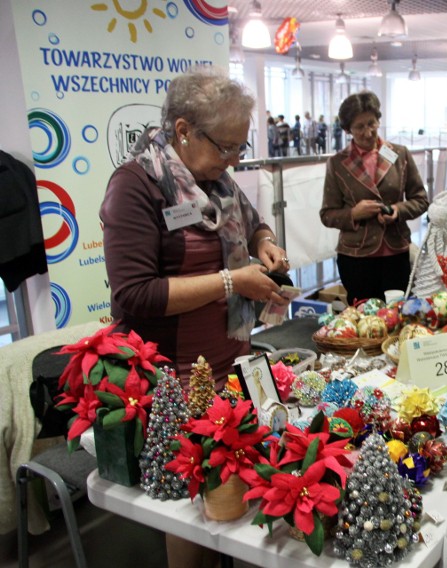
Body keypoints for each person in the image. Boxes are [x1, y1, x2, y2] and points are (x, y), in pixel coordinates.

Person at [100, 67, 291, 568]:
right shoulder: (136, 187)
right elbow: (135, 293)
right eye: (225, 147)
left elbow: (254, 224)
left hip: (229, 365)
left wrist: (266, 245)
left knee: (226, 502)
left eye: (239, 149)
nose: (232, 160)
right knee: (188, 511)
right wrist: (233, 282)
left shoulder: (218, 179)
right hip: (172, 378)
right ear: (183, 130)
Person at [320, 91, 428, 305]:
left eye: (372, 123)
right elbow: (327, 215)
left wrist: (398, 211)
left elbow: (421, 200)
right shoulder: (338, 163)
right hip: (356, 258)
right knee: (363, 325)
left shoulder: (400, 154)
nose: (368, 132)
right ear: (348, 130)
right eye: (359, 127)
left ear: (379, 120)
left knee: (397, 316)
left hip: (396, 252)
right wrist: (353, 214)